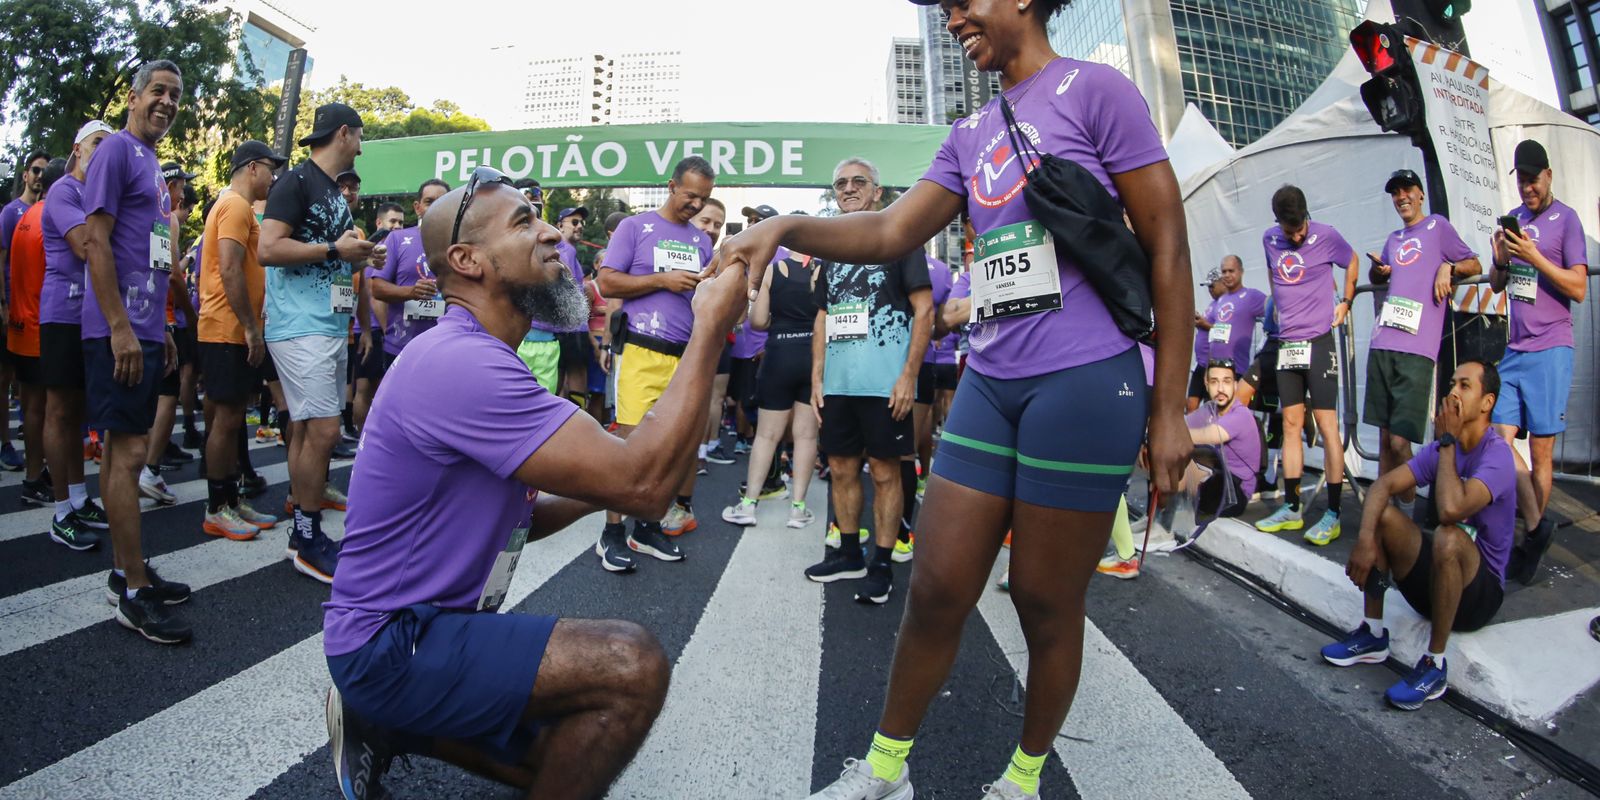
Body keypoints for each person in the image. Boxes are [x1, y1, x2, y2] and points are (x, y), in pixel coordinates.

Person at [721, 1, 1192, 794]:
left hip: (1086, 381)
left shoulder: (1097, 90)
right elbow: (885, 233)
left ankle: (1024, 776)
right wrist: (790, 226)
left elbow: (1168, 244)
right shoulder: (971, 132)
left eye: (963, 3)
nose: (953, 18)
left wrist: (1170, 406)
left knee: (1046, 600)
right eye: (942, 11)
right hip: (991, 381)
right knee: (937, 587)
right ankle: (884, 769)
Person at [323, 170, 747, 799]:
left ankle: (386, 722)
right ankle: (388, 703)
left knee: (563, 758)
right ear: (468, 261)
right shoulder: (463, 363)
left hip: (420, 632)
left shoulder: (482, 354)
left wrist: (607, 472)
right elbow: (647, 489)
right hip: (393, 642)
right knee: (631, 666)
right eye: (524, 222)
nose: (552, 231)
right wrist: (709, 328)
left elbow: (527, 514)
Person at [1323, 361, 1516, 710]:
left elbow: (1451, 512)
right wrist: (1366, 539)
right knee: (1382, 516)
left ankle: (1434, 664)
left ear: (1487, 402)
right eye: (1452, 383)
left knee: (1448, 535)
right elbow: (1383, 484)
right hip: (1439, 585)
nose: (1453, 392)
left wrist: (1446, 442)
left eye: (1465, 386)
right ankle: (1373, 632)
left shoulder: (1497, 454)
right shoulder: (1445, 447)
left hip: (1478, 596)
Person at [81, 60, 193, 643]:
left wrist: (163, 329)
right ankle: (133, 590)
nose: (167, 102)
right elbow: (96, 239)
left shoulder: (150, 164)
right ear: (133, 95)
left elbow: (147, 254)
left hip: (147, 329)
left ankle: (129, 571)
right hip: (117, 330)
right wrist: (121, 327)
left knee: (123, 454)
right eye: (158, 91)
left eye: (175, 95)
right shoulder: (116, 151)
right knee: (125, 456)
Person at [799, 156, 932, 604]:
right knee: (840, 467)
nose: (849, 189)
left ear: (878, 191)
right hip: (838, 385)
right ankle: (849, 553)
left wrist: (908, 377)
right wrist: (817, 380)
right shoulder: (831, 249)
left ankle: (880, 561)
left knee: (885, 472)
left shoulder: (900, 240)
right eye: (840, 184)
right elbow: (822, 317)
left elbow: (924, 310)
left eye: (859, 182)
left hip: (885, 383)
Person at [258, 101, 376, 583]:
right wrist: (335, 248)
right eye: (360, 137)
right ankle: (307, 537)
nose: (362, 148)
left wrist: (358, 255)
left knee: (309, 432)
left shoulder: (331, 191)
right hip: (298, 325)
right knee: (326, 432)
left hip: (328, 324)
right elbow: (269, 248)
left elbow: (333, 260)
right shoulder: (296, 181)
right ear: (343, 133)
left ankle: (302, 529)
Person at [592, 156, 716, 571]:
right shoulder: (635, 226)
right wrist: (662, 280)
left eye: (704, 199)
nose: (696, 205)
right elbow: (607, 281)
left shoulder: (701, 242)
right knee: (628, 446)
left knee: (669, 449)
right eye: (690, 195)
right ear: (671, 185)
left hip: (683, 357)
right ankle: (611, 534)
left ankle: (646, 528)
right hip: (641, 349)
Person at [1364, 168, 1481, 520]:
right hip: (1383, 342)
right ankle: (1384, 520)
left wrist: (1449, 268)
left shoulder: (1438, 227)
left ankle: (1409, 517)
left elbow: (1474, 262)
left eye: (1406, 190)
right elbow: (1381, 279)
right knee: (1385, 440)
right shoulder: (1394, 239)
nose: (1401, 197)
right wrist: (1377, 273)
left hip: (1417, 351)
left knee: (1402, 442)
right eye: (1395, 192)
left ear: (1420, 194)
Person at [1489, 140, 1586, 536]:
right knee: (1496, 436)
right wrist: (1500, 258)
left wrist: (1535, 257)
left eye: (1534, 180)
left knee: (1542, 449)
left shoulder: (1567, 219)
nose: (1528, 188)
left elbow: (1577, 287)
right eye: (1522, 181)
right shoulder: (1513, 217)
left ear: (1549, 176)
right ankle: (1535, 525)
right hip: (1515, 348)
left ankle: (1530, 540)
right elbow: (1497, 284)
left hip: (1551, 347)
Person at [1254, 185, 1358, 546]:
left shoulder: (1326, 235)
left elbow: (1352, 260)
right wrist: (1281, 306)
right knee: (1291, 424)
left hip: (1318, 342)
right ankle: (1293, 507)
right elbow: (1272, 272)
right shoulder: (1269, 239)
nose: (1296, 236)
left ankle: (1332, 513)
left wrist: (1345, 302)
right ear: (1278, 223)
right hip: (1288, 345)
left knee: (1328, 426)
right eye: (1290, 231)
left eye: (1300, 229)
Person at [197, 140, 288, 541]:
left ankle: (230, 500)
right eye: (271, 168)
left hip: (227, 327)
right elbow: (231, 269)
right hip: (226, 329)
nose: (274, 176)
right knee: (227, 419)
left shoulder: (236, 207)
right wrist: (251, 328)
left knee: (228, 419)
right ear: (252, 168)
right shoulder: (235, 206)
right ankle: (218, 507)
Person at [39, 121, 114, 549]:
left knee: (80, 414)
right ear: (78, 149)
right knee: (60, 413)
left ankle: (80, 498)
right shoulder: (65, 191)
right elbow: (88, 246)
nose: (102, 152)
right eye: (96, 144)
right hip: (62, 315)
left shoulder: (100, 192)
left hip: (91, 316)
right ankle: (60, 511)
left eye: (108, 146)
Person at [722, 217, 821, 530]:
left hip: (778, 353)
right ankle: (798, 508)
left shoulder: (773, 271)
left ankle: (749, 504)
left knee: (766, 435)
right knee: (806, 435)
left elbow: (759, 320)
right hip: (813, 354)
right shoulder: (822, 270)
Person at [0, 150, 50, 472]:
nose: (39, 177)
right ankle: (5, 443)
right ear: (25, 173)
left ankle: (27, 436)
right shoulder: (10, 213)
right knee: (5, 378)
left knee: (30, 386)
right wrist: (2, 304)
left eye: (44, 172)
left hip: (39, 315)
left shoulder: (48, 212)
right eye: (35, 170)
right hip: (12, 310)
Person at [369, 180, 450, 366]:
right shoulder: (397, 239)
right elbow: (377, 288)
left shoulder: (462, 244)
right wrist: (412, 292)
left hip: (445, 348)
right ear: (418, 207)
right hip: (400, 347)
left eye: (443, 201)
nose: (436, 207)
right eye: (429, 201)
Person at [694, 198, 733, 471]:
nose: (711, 229)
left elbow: (739, 315)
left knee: (711, 400)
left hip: (718, 344)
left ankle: (703, 451)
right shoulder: (675, 250)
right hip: (676, 346)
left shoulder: (725, 259)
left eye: (717, 224)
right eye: (705, 221)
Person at [1187, 268, 1226, 412]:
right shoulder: (1212, 304)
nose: (1210, 290)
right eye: (1208, 287)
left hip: (1215, 364)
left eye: (1212, 286)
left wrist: (1205, 325)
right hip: (1201, 363)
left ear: (1222, 283)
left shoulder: (1226, 305)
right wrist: (1199, 323)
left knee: (1212, 407)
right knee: (1191, 405)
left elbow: (1227, 333)